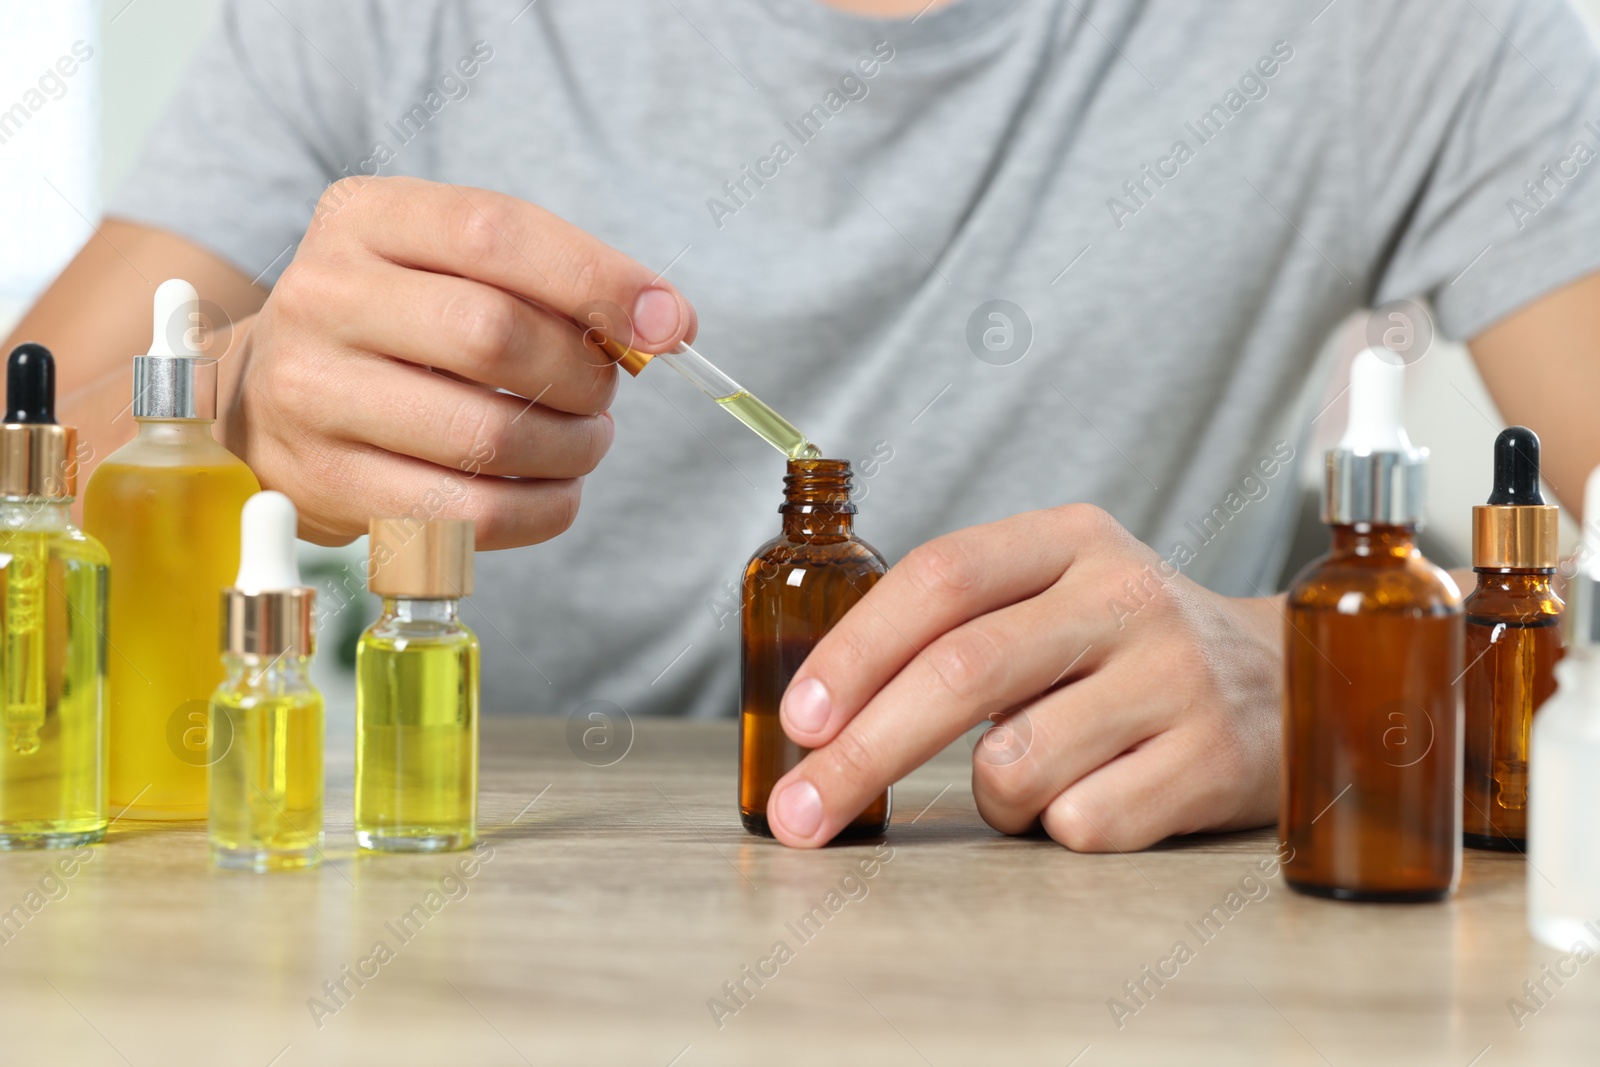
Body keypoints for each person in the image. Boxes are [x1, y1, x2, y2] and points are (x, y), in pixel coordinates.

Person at [12, 0, 1600, 852]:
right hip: (508, 926)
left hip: (1103, 942)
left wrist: (1340, 684)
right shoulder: (379, 18)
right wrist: (219, 388)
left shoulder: (1409, 26)